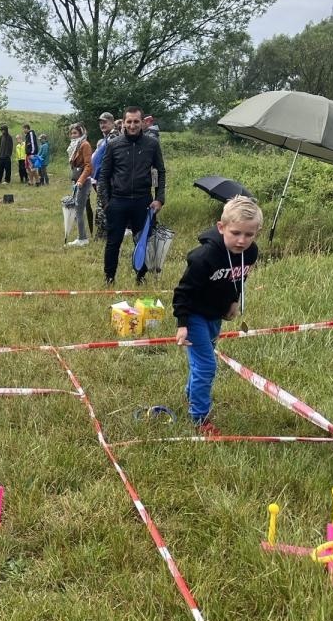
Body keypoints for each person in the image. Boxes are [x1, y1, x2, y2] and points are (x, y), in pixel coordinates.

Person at [174, 197, 263, 434]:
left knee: (201, 362)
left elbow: (239, 277)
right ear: (221, 227)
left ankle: (190, 395)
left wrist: (234, 301)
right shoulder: (204, 258)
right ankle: (199, 418)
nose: (242, 240)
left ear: (256, 233)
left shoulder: (251, 253)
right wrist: (182, 324)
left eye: (249, 234)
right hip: (194, 314)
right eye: (235, 233)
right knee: (206, 366)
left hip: (215, 315)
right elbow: (183, 292)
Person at [96, 106, 166, 285]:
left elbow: (160, 171)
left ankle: (141, 277)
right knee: (113, 242)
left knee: (143, 241)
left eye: (136, 121)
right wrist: (106, 202)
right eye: (129, 121)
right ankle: (109, 278)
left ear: (142, 123)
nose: (133, 125)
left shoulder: (152, 145)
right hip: (118, 201)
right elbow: (103, 175)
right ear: (124, 123)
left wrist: (159, 198)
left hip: (143, 201)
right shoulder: (114, 145)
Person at [65, 123, 94, 246]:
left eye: (75, 133)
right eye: (71, 133)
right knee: (77, 209)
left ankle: (82, 238)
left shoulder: (84, 144)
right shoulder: (75, 146)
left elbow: (88, 166)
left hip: (84, 181)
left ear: (81, 133)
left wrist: (80, 181)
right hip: (77, 180)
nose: (73, 135)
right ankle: (82, 236)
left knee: (78, 209)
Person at [92, 112, 117, 241]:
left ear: (112, 122)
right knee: (101, 206)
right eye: (100, 122)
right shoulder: (106, 137)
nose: (102, 125)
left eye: (105, 122)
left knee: (105, 206)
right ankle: (101, 234)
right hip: (101, 179)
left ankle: (107, 235)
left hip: (108, 179)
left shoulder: (114, 137)